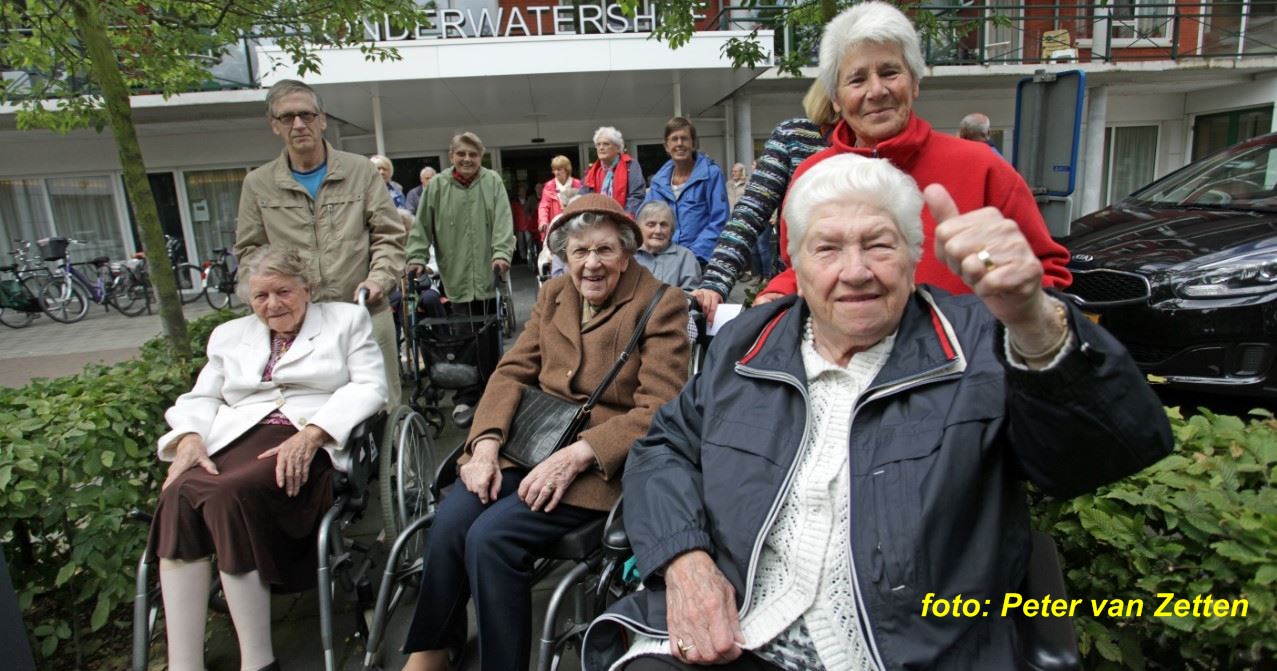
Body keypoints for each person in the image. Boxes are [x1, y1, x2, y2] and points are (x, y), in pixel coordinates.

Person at [582, 153, 1173, 671]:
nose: (856, 271)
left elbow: (1103, 454)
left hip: (911, 650)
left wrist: (1035, 322)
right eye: (829, 248)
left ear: (914, 255)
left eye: (879, 244)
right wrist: (685, 563)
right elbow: (665, 447)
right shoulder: (751, 342)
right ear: (798, 266)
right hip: (734, 637)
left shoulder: (980, 343)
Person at [400, 194, 690, 671]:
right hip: (532, 440)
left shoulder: (660, 304)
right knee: (453, 519)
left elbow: (660, 408)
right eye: (579, 252)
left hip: (599, 463)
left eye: (604, 251)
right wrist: (486, 442)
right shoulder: (555, 294)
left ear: (626, 253)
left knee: (492, 538)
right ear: (564, 256)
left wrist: (580, 453)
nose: (591, 264)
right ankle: (432, 649)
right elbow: (512, 371)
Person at [149, 249, 388, 671]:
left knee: (228, 494)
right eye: (260, 296)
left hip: (307, 438)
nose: (272, 304)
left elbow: (371, 387)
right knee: (177, 494)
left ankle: (257, 661)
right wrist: (188, 437)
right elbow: (202, 396)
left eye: (283, 292)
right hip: (236, 436)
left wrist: (314, 432)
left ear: (307, 290)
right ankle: (184, 664)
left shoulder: (346, 321)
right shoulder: (228, 335)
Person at [753, 2, 1071, 306]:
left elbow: (1045, 274)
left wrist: (995, 279)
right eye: (857, 79)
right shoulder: (812, 177)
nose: (876, 91)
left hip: (965, 357)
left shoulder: (980, 167)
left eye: (890, 72)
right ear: (836, 98)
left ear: (915, 82)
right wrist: (779, 293)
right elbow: (802, 269)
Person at [234, 79, 406, 409]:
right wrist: (272, 297)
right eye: (287, 118)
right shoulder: (258, 184)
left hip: (363, 309)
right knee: (308, 406)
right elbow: (250, 250)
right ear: (275, 126)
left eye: (306, 115)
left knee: (382, 404)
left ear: (322, 119)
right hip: (298, 319)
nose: (298, 124)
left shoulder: (360, 171)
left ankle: (390, 458)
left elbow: (389, 234)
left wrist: (379, 279)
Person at [693, 82, 837, 322]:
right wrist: (715, 282)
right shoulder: (794, 137)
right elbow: (750, 212)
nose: (875, 90)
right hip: (798, 295)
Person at [405, 131, 514, 427]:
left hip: (487, 271)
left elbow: (504, 221)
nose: (467, 159)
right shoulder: (438, 186)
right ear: (452, 155)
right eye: (461, 154)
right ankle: (467, 394)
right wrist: (416, 257)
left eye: (474, 154)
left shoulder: (491, 181)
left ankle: (491, 392)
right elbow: (422, 227)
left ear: (481, 157)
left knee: (489, 334)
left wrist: (502, 252)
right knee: (464, 334)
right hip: (455, 274)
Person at [643, 117, 730, 267]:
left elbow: (719, 221)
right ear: (666, 146)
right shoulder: (658, 181)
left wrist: (691, 257)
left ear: (694, 143)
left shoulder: (711, 175)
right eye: (674, 139)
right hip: (664, 260)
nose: (679, 144)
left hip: (700, 261)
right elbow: (645, 218)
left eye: (684, 139)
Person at [633, 200, 700, 292]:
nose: (658, 231)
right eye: (651, 225)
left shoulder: (685, 258)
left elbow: (691, 296)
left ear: (671, 230)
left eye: (664, 225)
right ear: (639, 228)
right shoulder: (628, 256)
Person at [581, 126, 646, 216]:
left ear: (618, 148)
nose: (601, 148)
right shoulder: (593, 171)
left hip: (625, 220)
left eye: (606, 144)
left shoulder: (631, 165)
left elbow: (636, 196)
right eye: (598, 144)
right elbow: (583, 196)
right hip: (599, 222)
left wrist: (624, 219)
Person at [539, 154, 582, 239]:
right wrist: (543, 221)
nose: (556, 173)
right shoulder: (549, 186)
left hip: (575, 225)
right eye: (554, 170)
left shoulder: (578, 184)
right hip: (557, 225)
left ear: (567, 170)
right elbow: (543, 206)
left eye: (559, 169)